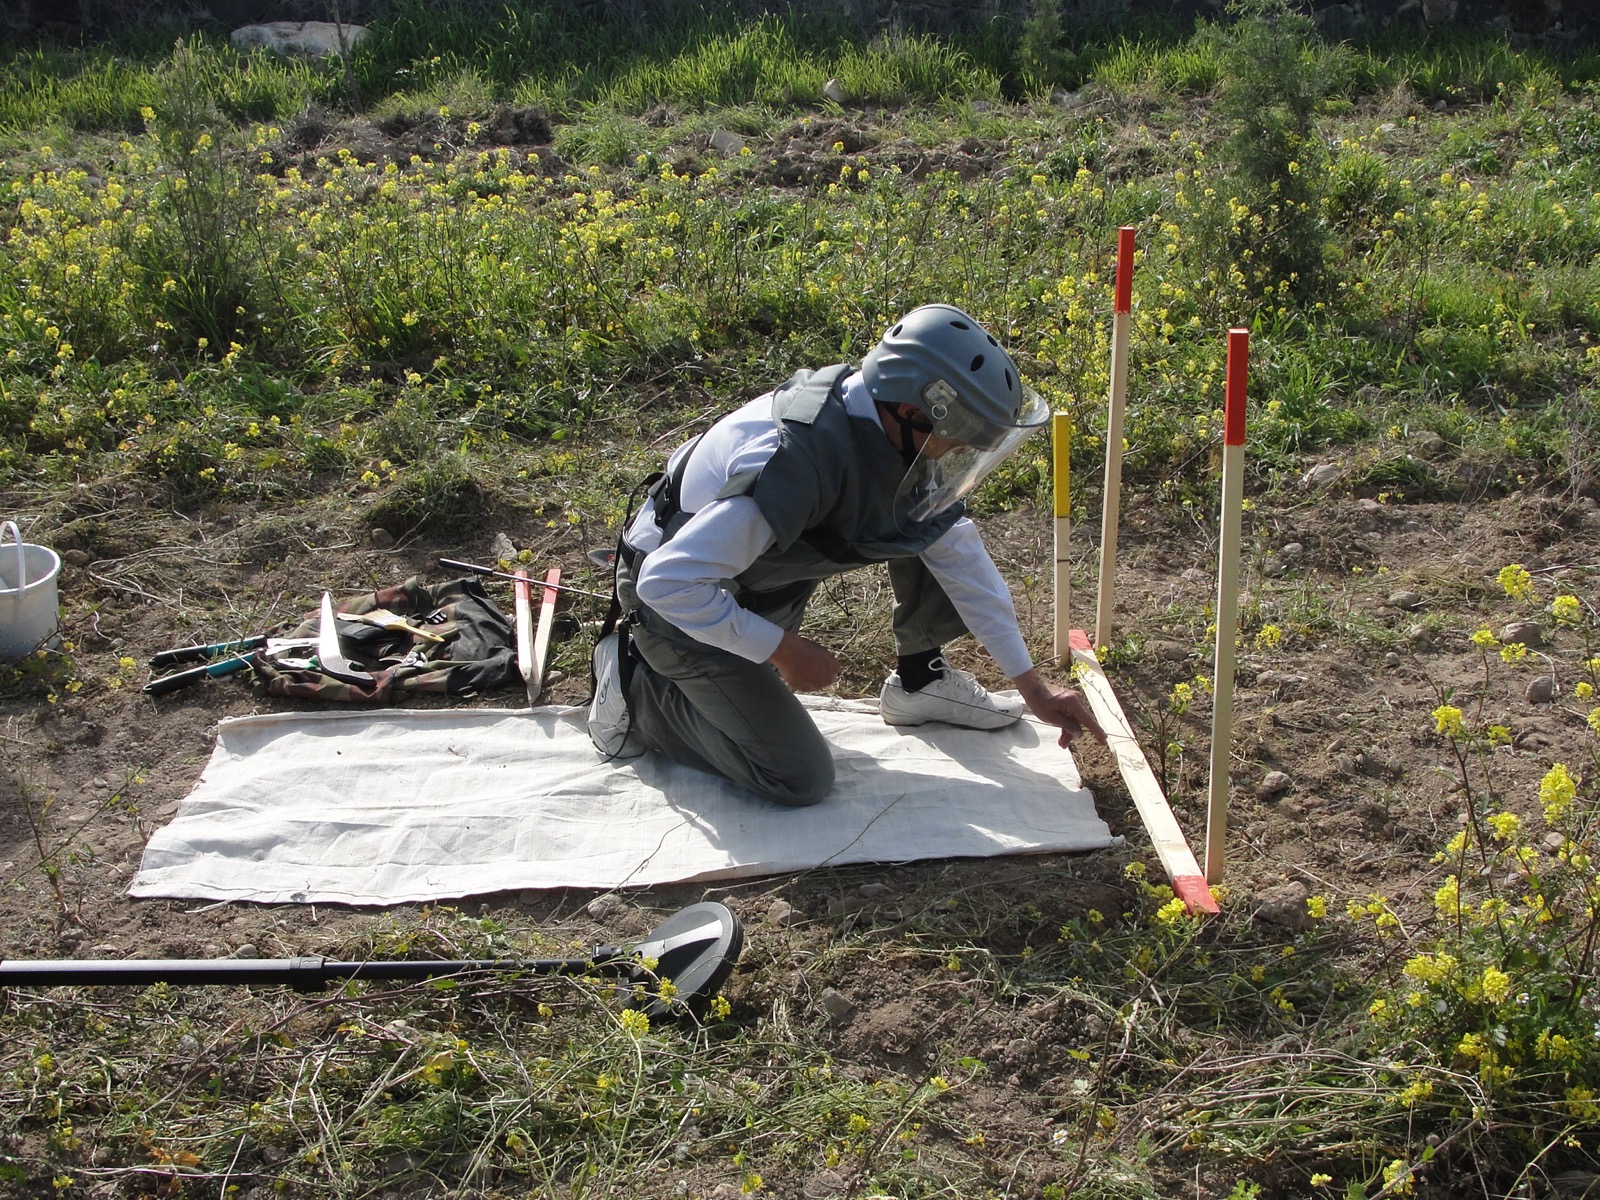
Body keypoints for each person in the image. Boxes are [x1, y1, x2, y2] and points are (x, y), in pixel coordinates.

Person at [587, 303, 1105, 805]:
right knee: (798, 777)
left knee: (921, 522)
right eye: (959, 439)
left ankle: (920, 681)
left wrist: (1032, 687)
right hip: (676, 607)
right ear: (910, 411)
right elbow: (667, 584)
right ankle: (635, 693)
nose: (960, 454)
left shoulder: (890, 431)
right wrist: (782, 650)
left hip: (752, 582)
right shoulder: (790, 464)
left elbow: (958, 556)